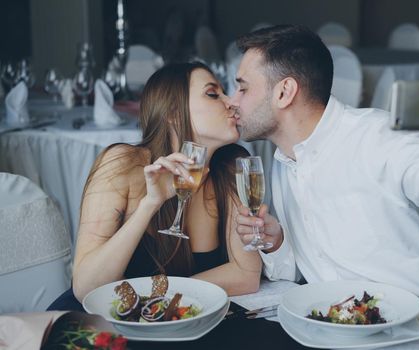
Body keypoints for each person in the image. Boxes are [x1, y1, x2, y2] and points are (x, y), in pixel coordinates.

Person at [232, 25, 419, 348]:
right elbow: (298, 271)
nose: (232, 100)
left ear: (284, 92)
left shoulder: (377, 137)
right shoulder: (285, 160)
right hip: (347, 333)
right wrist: (277, 241)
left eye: (242, 88)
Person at [48, 62, 261, 311]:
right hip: (103, 320)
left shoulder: (231, 168)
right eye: (213, 94)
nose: (231, 102)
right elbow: (85, 287)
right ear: (172, 111)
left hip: (176, 317)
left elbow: (247, 275)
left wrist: (163, 297)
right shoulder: (122, 165)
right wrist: (150, 204)